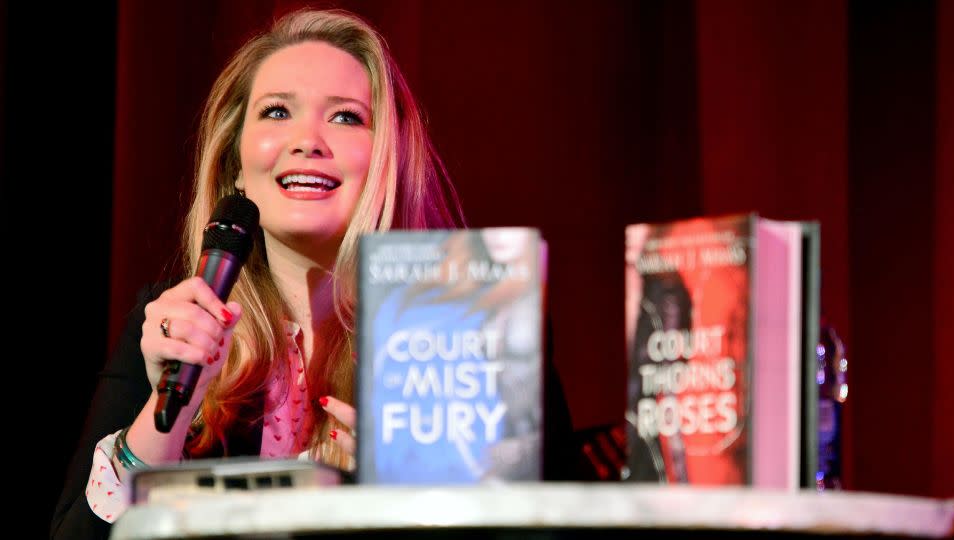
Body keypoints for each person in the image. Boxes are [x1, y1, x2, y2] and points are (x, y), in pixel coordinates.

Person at [51, 8, 573, 539]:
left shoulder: (478, 329)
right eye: (277, 112)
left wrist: (424, 492)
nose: (307, 140)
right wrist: (167, 413)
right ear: (235, 160)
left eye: (345, 117)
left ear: (388, 158)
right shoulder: (170, 325)